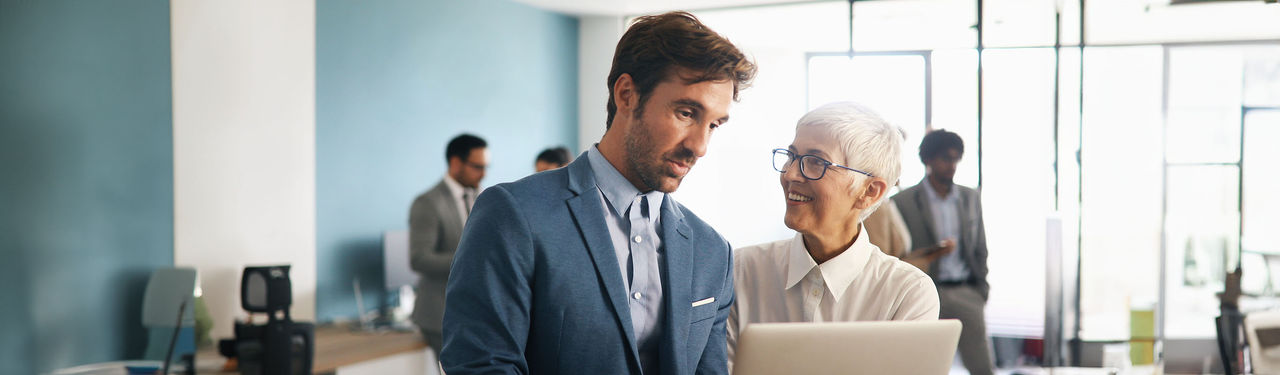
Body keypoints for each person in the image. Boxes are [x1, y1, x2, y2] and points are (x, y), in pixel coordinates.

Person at [440, 11, 756, 375]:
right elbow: (480, 366)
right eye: (686, 113)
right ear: (626, 95)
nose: (700, 146)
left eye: (714, 125)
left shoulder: (712, 251)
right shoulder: (514, 215)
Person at [728, 102, 939, 368]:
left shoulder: (907, 293)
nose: (790, 174)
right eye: (791, 156)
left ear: (870, 191)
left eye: (816, 162)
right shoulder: (740, 270)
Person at [893, 129, 994, 375]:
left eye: (956, 158)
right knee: (923, 366)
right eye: (946, 158)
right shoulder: (903, 201)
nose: (952, 165)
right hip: (926, 290)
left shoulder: (970, 197)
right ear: (928, 159)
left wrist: (980, 289)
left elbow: (980, 246)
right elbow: (900, 252)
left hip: (966, 292)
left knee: (982, 367)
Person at [408, 133, 488, 351]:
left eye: (485, 167)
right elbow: (420, 259)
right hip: (441, 315)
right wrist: (471, 260)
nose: (483, 174)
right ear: (455, 163)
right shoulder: (428, 203)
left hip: (477, 314)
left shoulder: (483, 197)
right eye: (477, 167)